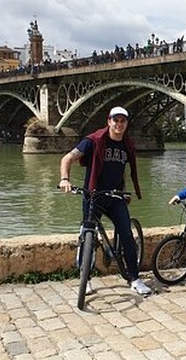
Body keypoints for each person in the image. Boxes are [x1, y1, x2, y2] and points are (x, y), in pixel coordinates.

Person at [58, 106, 152, 296]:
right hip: (93, 195)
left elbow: (120, 171)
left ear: (126, 124)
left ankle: (134, 278)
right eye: (115, 120)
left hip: (115, 196)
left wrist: (125, 192)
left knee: (126, 234)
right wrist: (65, 179)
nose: (119, 124)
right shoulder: (93, 141)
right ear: (109, 121)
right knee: (88, 236)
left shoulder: (127, 145)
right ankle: (87, 279)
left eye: (122, 121)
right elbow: (67, 158)